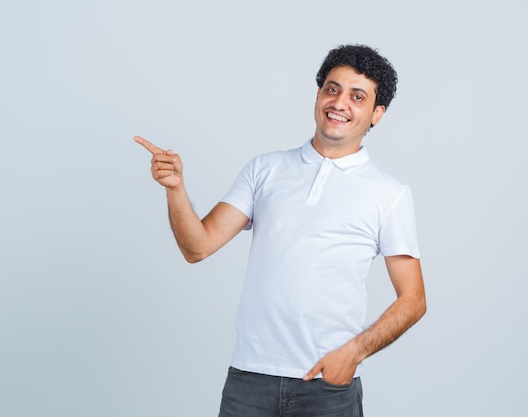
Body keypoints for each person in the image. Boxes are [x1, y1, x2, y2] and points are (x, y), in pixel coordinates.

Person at [134, 44, 426, 417]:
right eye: (332, 89)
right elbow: (197, 247)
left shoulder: (389, 194)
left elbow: (413, 299)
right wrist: (176, 190)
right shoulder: (265, 170)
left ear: (377, 113)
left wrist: (355, 352)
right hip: (250, 379)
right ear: (319, 94)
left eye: (357, 96)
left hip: (328, 386)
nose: (340, 103)